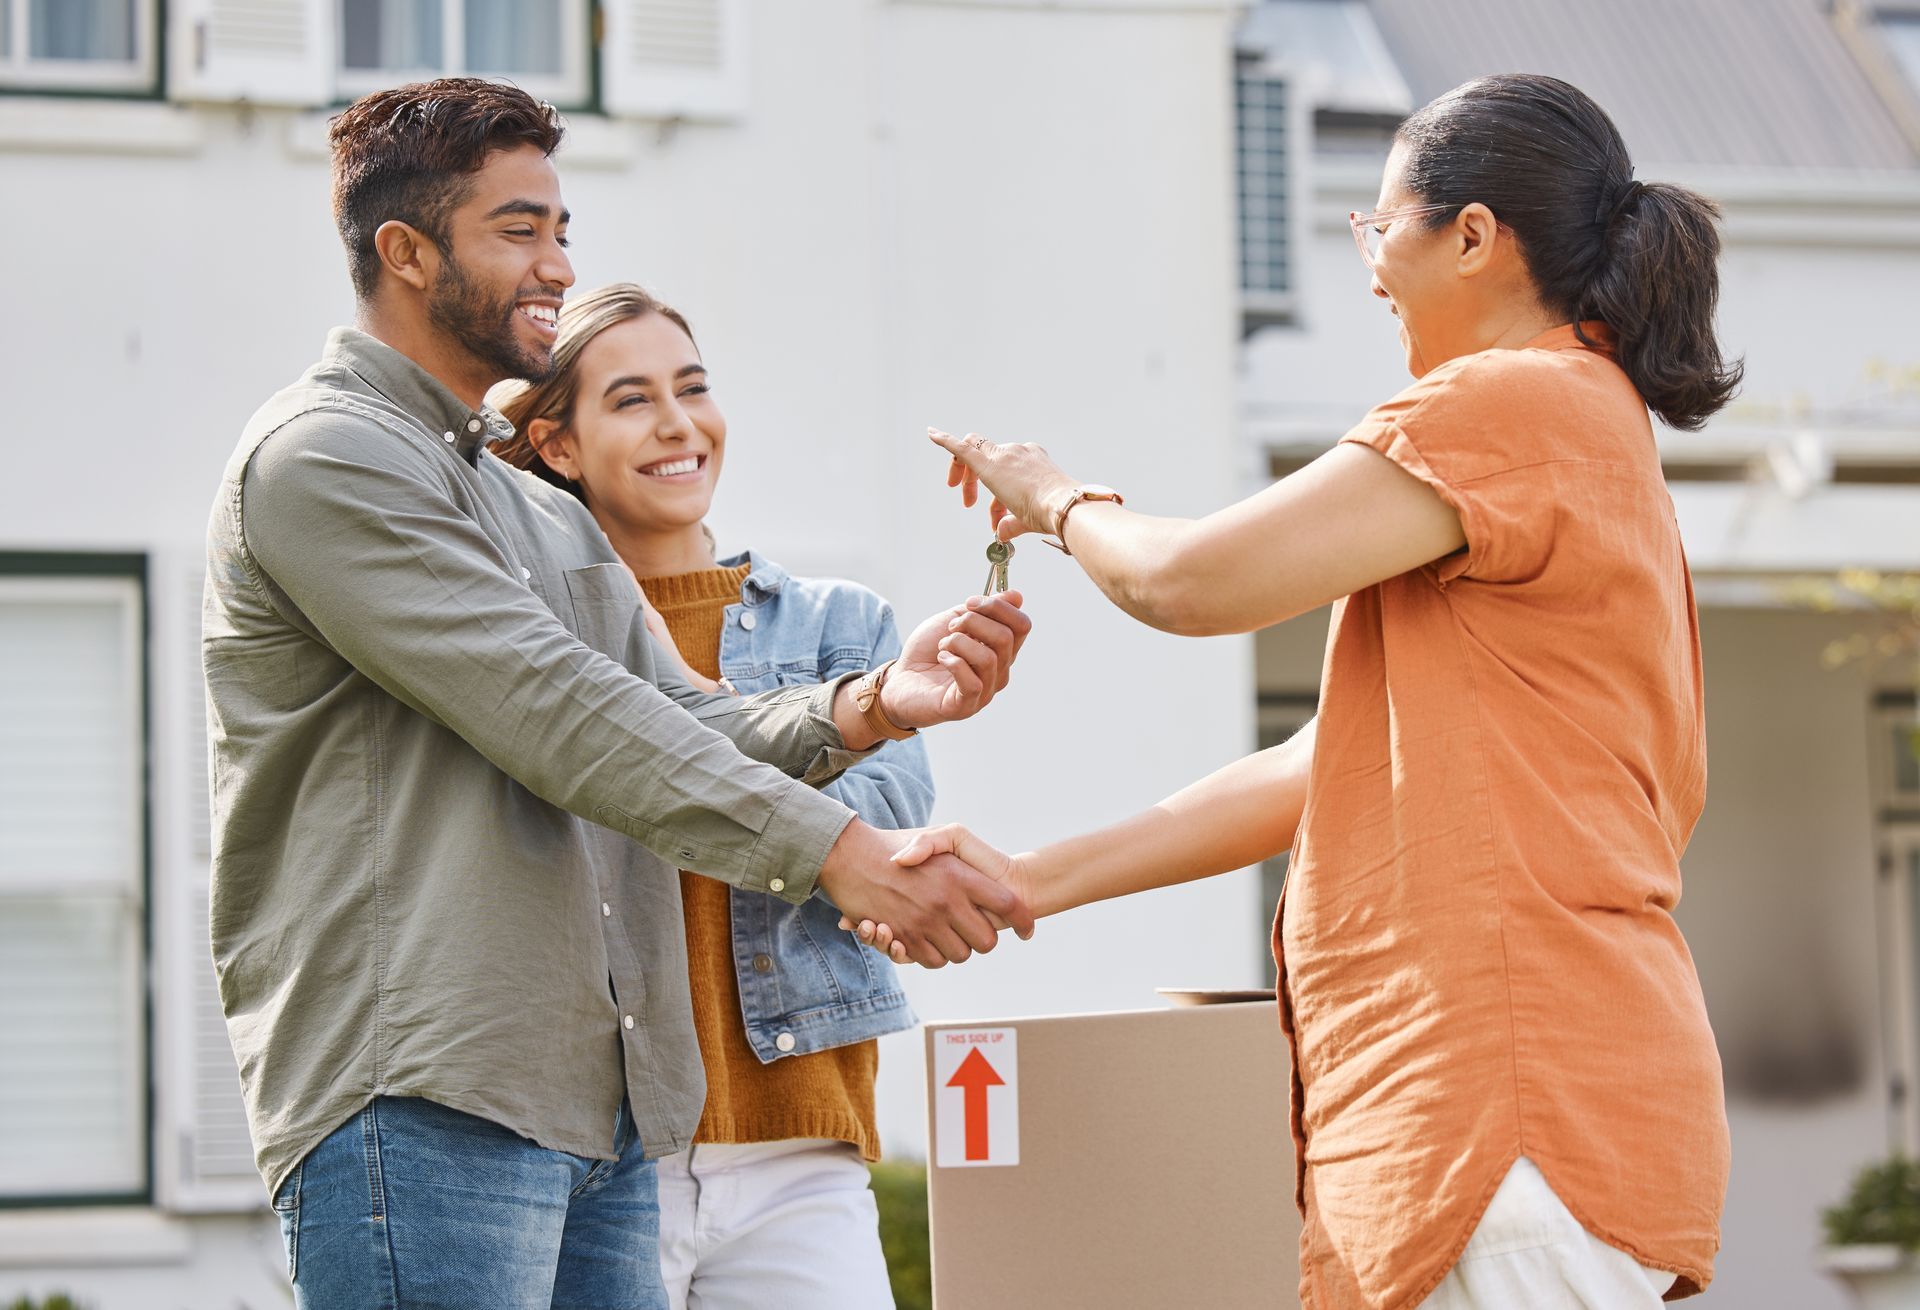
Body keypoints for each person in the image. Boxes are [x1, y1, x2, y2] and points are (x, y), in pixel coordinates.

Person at [856, 74, 1737, 1308]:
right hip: (1516, 1114)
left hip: (1512, 1104)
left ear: (1474, 236)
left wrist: (1048, 494)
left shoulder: (1513, 404)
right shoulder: (1578, 427)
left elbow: (1189, 582)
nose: (1369, 263)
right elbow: (1317, 765)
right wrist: (1024, 880)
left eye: (1380, 227)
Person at [203, 78, 1032, 1309]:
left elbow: (675, 711)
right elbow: (552, 709)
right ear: (405, 252)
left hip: (604, 1114)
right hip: (425, 1098)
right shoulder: (325, 458)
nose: (557, 264)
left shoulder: (526, 501)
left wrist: (863, 706)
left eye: (561, 228)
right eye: (519, 230)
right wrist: (842, 851)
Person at [489, 283, 921, 1309]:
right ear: (558, 446)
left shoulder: (837, 627)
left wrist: (726, 735)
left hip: (796, 1152)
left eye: (692, 387)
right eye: (633, 400)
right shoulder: (528, 636)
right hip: (599, 1153)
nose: (679, 423)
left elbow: (881, 846)